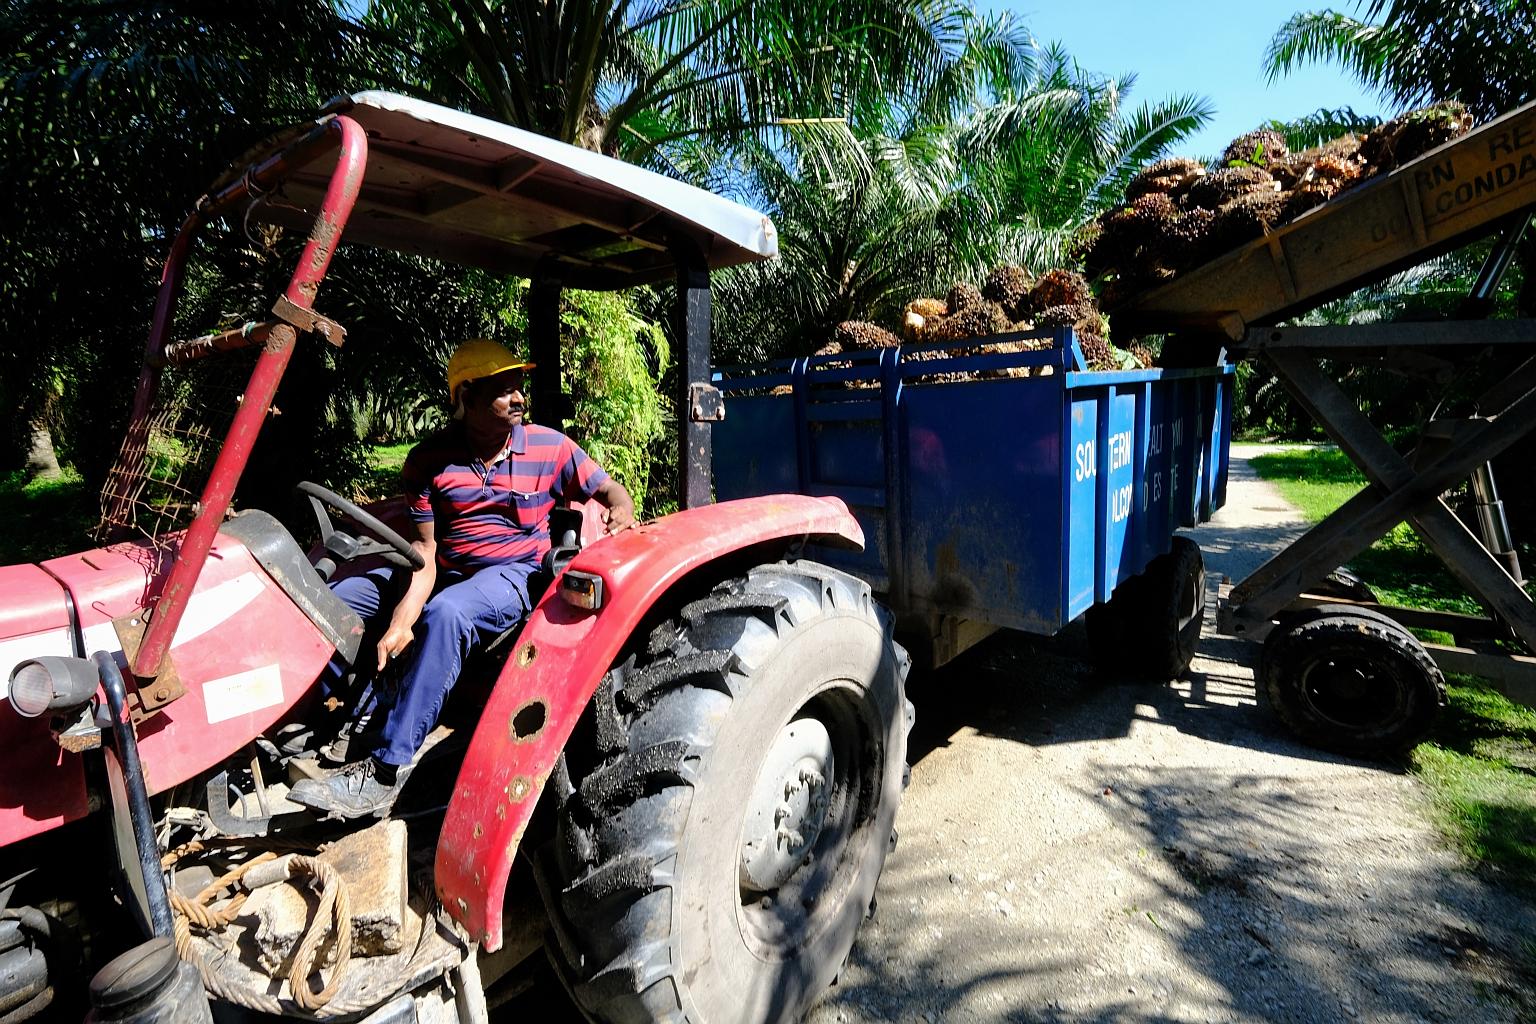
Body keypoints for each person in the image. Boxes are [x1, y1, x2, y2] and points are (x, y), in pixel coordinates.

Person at [290, 338, 634, 817]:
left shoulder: (549, 447)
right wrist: (401, 618)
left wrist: (620, 504)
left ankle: (386, 769)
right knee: (342, 596)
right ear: (467, 396)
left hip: (517, 573)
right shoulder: (429, 461)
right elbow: (425, 552)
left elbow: (610, 489)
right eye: (504, 388)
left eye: (519, 386)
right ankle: (295, 717)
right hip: (447, 567)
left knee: (447, 614)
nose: (519, 397)